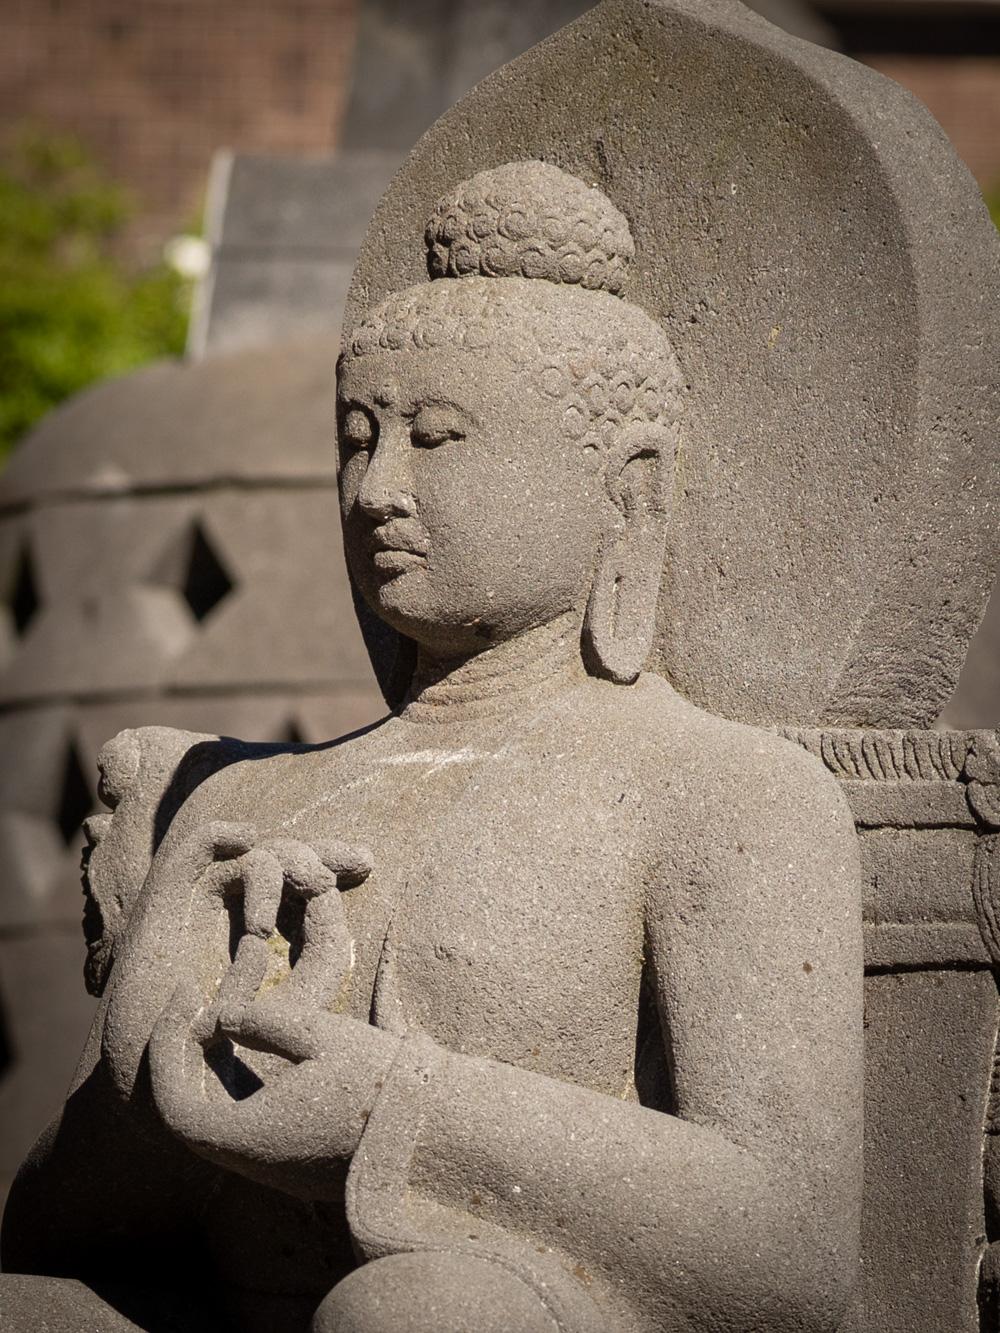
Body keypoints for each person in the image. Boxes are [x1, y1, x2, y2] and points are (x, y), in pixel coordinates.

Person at [3, 162, 862, 1333]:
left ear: (627, 489)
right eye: (358, 438)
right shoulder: (241, 799)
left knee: (418, 1311)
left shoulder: (722, 793)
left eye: (440, 437)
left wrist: (385, 1106)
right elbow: (59, 1226)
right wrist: (140, 1077)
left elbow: (791, 1247)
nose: (376, 488)